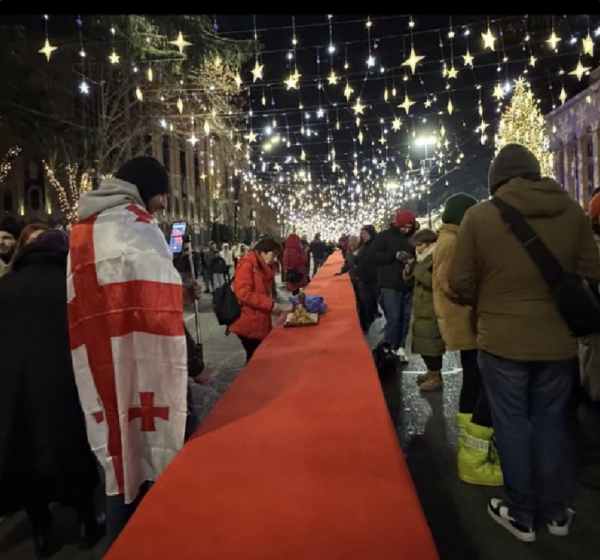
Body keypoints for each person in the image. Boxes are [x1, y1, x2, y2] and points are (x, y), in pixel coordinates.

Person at [449, 144, 600, 542]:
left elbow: (459, 283)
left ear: (496, 180)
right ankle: (556, 512)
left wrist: (493, 299)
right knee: (552, 423)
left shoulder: (479, 217)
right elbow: (592, 268)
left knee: (511, 425)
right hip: (557, 343)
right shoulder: (571, 211)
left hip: (501, 342)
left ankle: (522, 514)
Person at [68, 156, 200, 548]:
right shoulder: (138, 225)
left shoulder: (83, 228)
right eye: (160, 194)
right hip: (146, 363)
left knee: (120, 458)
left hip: (101, 361)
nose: (162, 203)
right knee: (172, 446)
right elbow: (154, 306)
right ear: (145, 189)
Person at [0, 230, 102, 558]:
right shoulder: (74, 287)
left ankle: (41, 529)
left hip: (14, 388)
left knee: (25, 453)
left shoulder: (5, 287)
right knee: (74, 448)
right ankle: (87, 522)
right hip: (67, 383)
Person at [433, 192, 502, 486]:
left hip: (462, 319)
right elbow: (452, 283)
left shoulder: (448, 239)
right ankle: (472, 439)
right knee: (476, 378)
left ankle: (469, 434)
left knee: (474, 378)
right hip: (465, 320)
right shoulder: (453, 242)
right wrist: (478, 297)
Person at [370, 210, 417, 363]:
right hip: (389, 283)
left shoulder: (413, 236)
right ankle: (389, 346)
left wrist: (412, 260)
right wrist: (394, 255)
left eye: (409, 226)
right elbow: (374, 255)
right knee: (394, 317)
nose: (406, 229)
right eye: (404, 226)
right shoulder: (385, 236)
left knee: (405, 317)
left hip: (407, 283)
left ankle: (400, 347)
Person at [228, 237, 284, 362]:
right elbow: (243, 293)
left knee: (257, 358)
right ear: (262, 252)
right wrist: (270, 305)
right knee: (255, 359)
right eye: (273, 255)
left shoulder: (262, 266)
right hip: (248, 320)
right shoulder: (248, 264)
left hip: (258, 318)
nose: (275, 260)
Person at [402, 228, 445, 391]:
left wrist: (416, 270)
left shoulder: (435, 258)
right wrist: (408, 270)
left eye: (420, 245)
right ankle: (431, 372)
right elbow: (413, 280)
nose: (417, 249)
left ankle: (436, 376)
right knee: (424, 342)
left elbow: (434, 282)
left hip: (432, 306)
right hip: (422, 306)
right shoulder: (422, 258)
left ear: (429, 244)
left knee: (431, 343)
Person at [355, 225, 379, 333]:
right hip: (363, 279)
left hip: (372, 279)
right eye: (361, 233)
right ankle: (366, 324)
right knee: (364, 303)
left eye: (364, 233)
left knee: (368, 303)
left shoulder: (375, 245)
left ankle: (368, 323)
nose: (362, 235)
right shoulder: (363, 245)